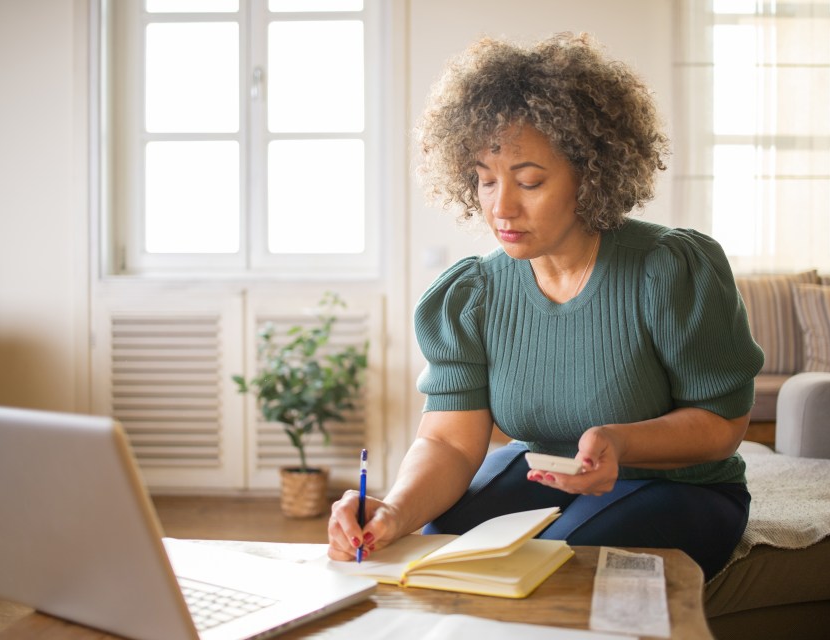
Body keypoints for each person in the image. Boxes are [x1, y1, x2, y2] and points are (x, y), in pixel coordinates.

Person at [327, 32, 764, 580]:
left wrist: (620, 443)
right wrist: (391, 511)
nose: (501, 207)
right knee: (435, 541)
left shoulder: (669, 268)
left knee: (558, 565)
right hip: (545, 472)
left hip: (679, 487)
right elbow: (448, 442)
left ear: (589, 174)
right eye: (486, 181)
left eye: (529, 181)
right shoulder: (473, 294)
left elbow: (723, 422)